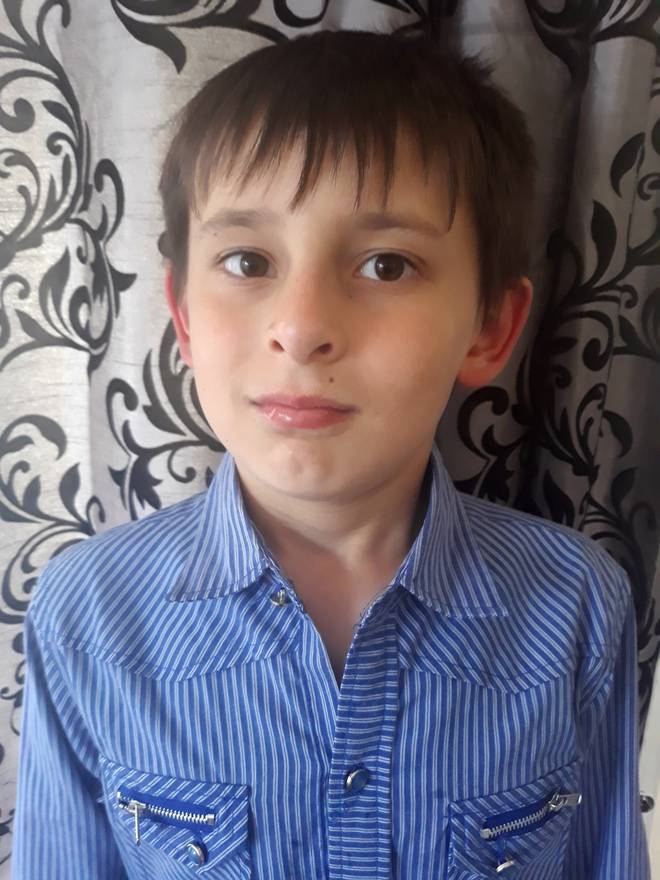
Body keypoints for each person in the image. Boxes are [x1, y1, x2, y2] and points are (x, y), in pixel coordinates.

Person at [12, 26, 651, 880]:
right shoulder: (89, 612)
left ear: (489, 327)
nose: (302, 326)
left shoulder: (577, 605)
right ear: (185, 318)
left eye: (387, 265)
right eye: (248, 260)